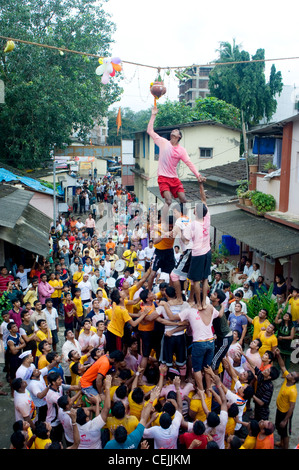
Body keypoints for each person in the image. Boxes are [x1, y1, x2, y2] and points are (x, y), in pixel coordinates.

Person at [147, 106, 205, 222]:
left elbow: (189, 163)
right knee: (168, 201)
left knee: (183, 199)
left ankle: (183, 220)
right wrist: (153, 115)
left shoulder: (181, 150)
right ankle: (162, 220)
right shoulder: (163, 142)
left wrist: (198, 175)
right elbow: (149, 131)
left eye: (176, 131)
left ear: (178, 136)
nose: (173, 131)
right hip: (163, 177)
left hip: (174, 178)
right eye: (173, 131)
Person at [182, 183, 211, 309]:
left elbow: (186, 240)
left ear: (196, 212)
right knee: (205, 279)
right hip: (207, 252)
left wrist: (180, 233)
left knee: (195, 280)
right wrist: (201, 185)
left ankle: (198, 304)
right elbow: (204, 199)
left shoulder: (192, 225)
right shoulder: (207, 218)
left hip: (198, 254)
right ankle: (204, 302)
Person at [274, 348, 299, 449]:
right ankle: (281, 443)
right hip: (279, 409)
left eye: (291, 374)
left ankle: (285, 446)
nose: (289, 374)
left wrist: (285, 420)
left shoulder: (293, 391)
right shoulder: (287, 379)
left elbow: (292, 407)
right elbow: (282, 366)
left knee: (284, 432)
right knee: (279, 428)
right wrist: (278, 355)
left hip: (285, 413)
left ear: (293, 380)